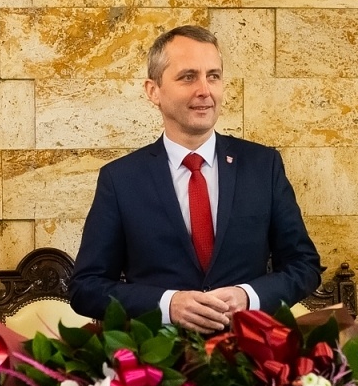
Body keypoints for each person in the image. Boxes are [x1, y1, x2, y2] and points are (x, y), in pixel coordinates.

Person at [70, 25, 323, 333]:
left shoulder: (263, 165)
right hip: (155, 367)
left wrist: (249, 297)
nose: (205, 90)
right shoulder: (121, 179)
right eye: (188, 77)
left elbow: (304, 265)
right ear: (153, 91)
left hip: (249, 361)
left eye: (213, 76)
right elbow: (85, 288)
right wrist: (167, 305)